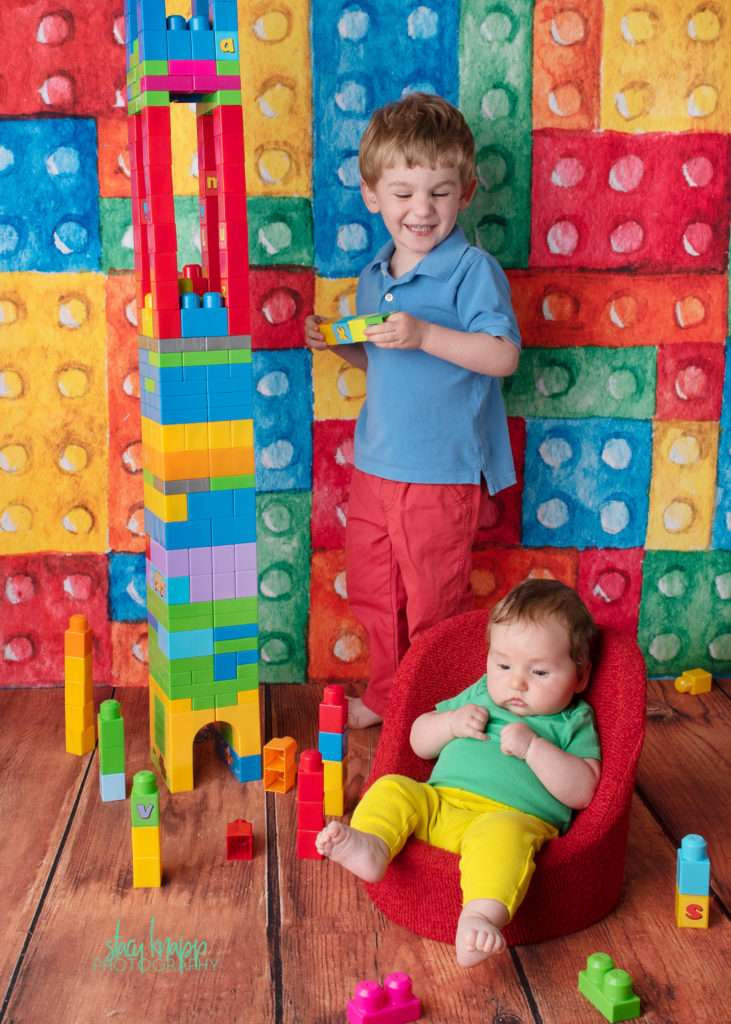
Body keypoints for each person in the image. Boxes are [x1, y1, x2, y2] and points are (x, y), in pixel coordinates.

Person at [305, 93, 521, 729]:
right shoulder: (375, 275)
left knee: (434, 601)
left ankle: (438, 713)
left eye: (439, 192)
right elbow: (389, 366)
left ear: (467, 192)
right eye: (402, 193)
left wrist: (425, 333)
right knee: (376, 591)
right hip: (376, 465)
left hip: (441, 472)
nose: (420, 211)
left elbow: (503, 354)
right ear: (372, 194)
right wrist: (344, 348)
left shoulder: (471, 271)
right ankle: (388, 695)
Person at [315, 579, 602, 968]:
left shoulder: (571, 720)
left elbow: (584, 790)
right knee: (394, 788)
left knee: (504, 841)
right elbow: (417, 741)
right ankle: (372, 845)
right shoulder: (481, 693)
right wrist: (450, 723)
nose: (516, 682)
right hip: (440, 803)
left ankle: (479, 917)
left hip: (509, 817)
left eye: (539, 672)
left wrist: (534, 749)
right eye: (503, 665)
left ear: (579, 677)